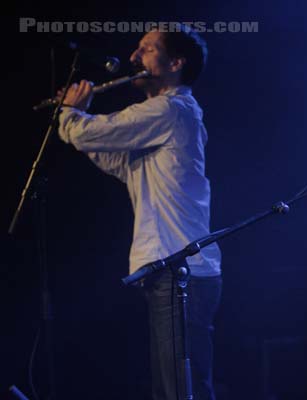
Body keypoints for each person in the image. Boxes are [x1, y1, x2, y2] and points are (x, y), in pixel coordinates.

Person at [57, 26, 221, 400]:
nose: (133, 58)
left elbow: (90, 134)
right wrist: (73, 121)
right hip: (171, 270)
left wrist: (71, 114)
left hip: (181, 273)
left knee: (181, 390)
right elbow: (115, 157)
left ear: (175, 63)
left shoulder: (170, 108)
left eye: (146, 50)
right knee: (173, 389)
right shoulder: (168, 119)